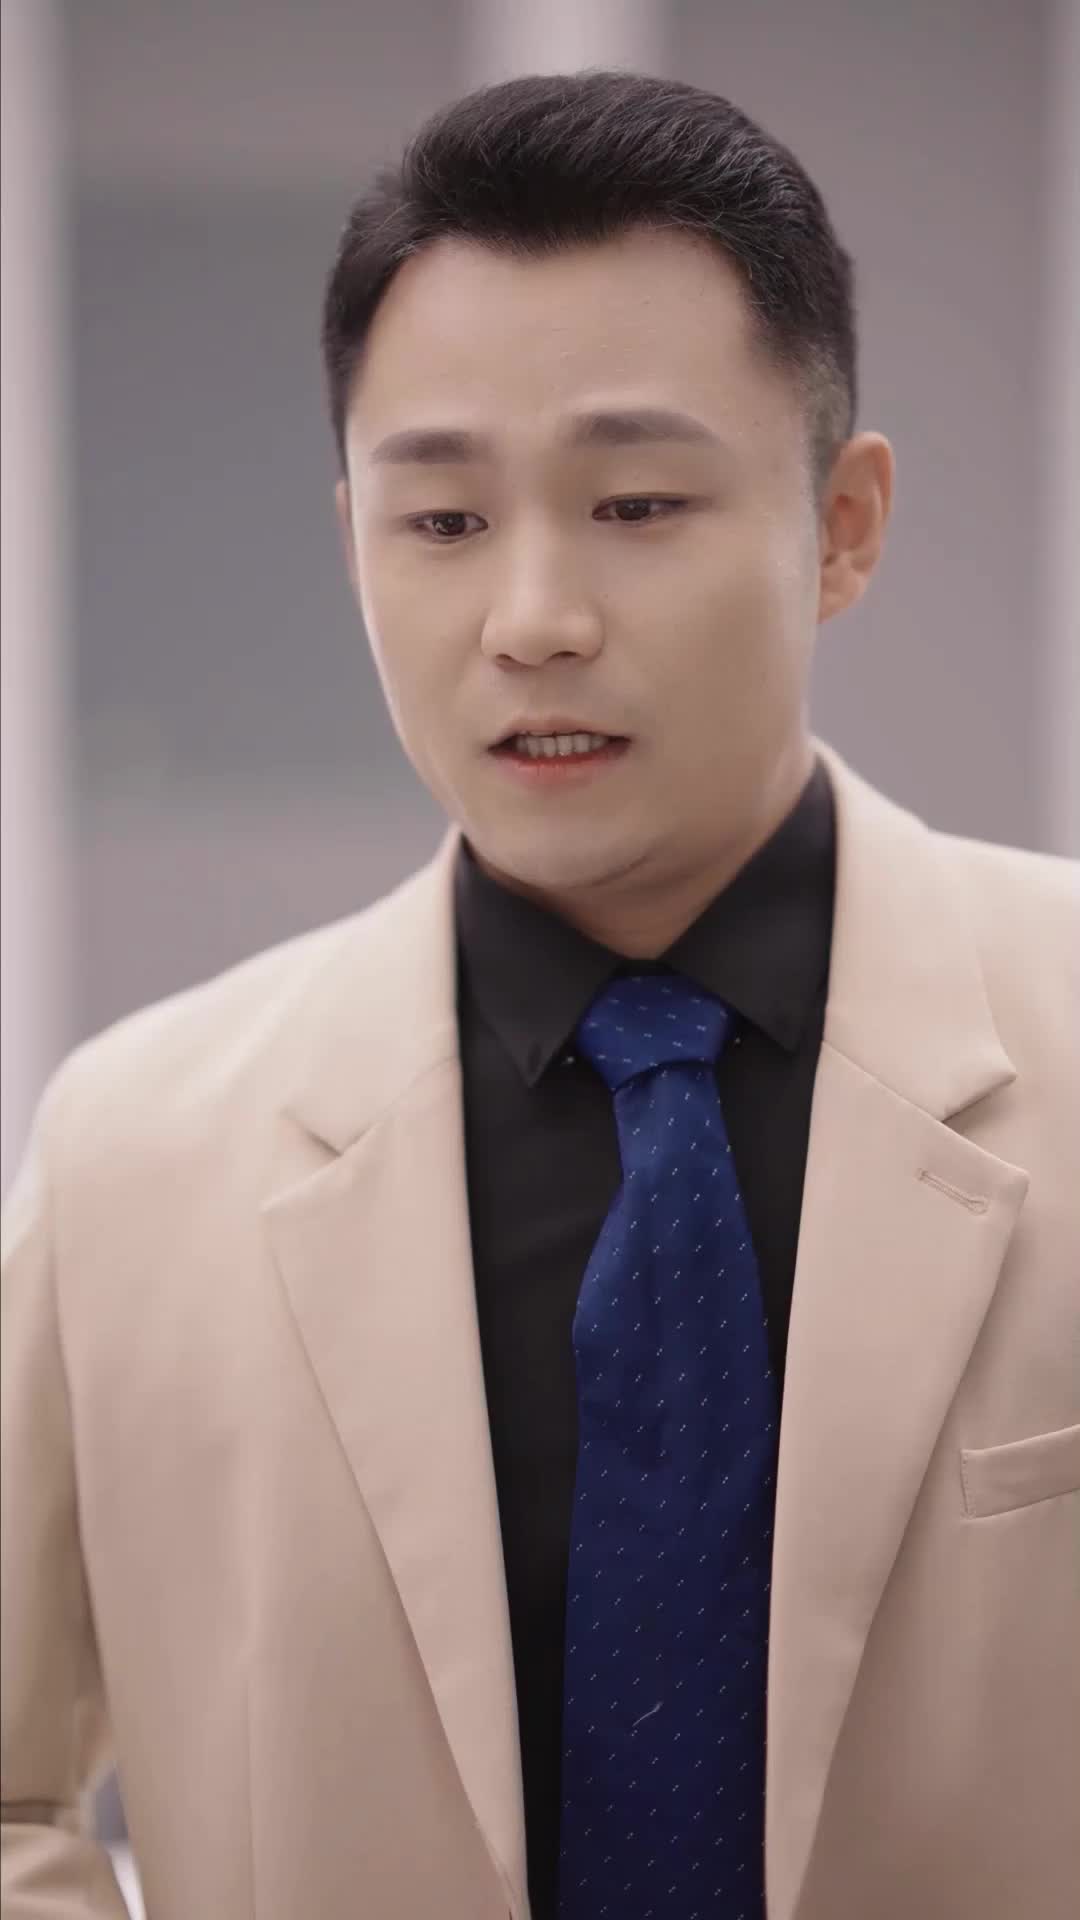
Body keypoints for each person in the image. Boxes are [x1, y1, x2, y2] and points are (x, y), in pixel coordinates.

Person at [2, 68, 1077, 1920]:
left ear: (841, 524)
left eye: (637, 502)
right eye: (441, 522)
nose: (534, 619)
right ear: (350, 534)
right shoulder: (134, 1157)